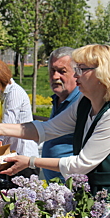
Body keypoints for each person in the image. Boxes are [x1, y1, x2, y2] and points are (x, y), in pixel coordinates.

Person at [0, 45, 110, 194]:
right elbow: (47, 129)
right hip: (94, 194)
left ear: (101, 73)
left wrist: (31, 161)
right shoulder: (84, 104)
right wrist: (0, 129)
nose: (76, 75)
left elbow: (81, 164)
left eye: (81, 69)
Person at [41, 47, 81, 181]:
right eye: (52, 71)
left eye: (62, 71)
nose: (55, 76)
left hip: (71, 183)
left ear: (76, 73)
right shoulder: (58, 99)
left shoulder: (80, 102)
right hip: (55, 185)